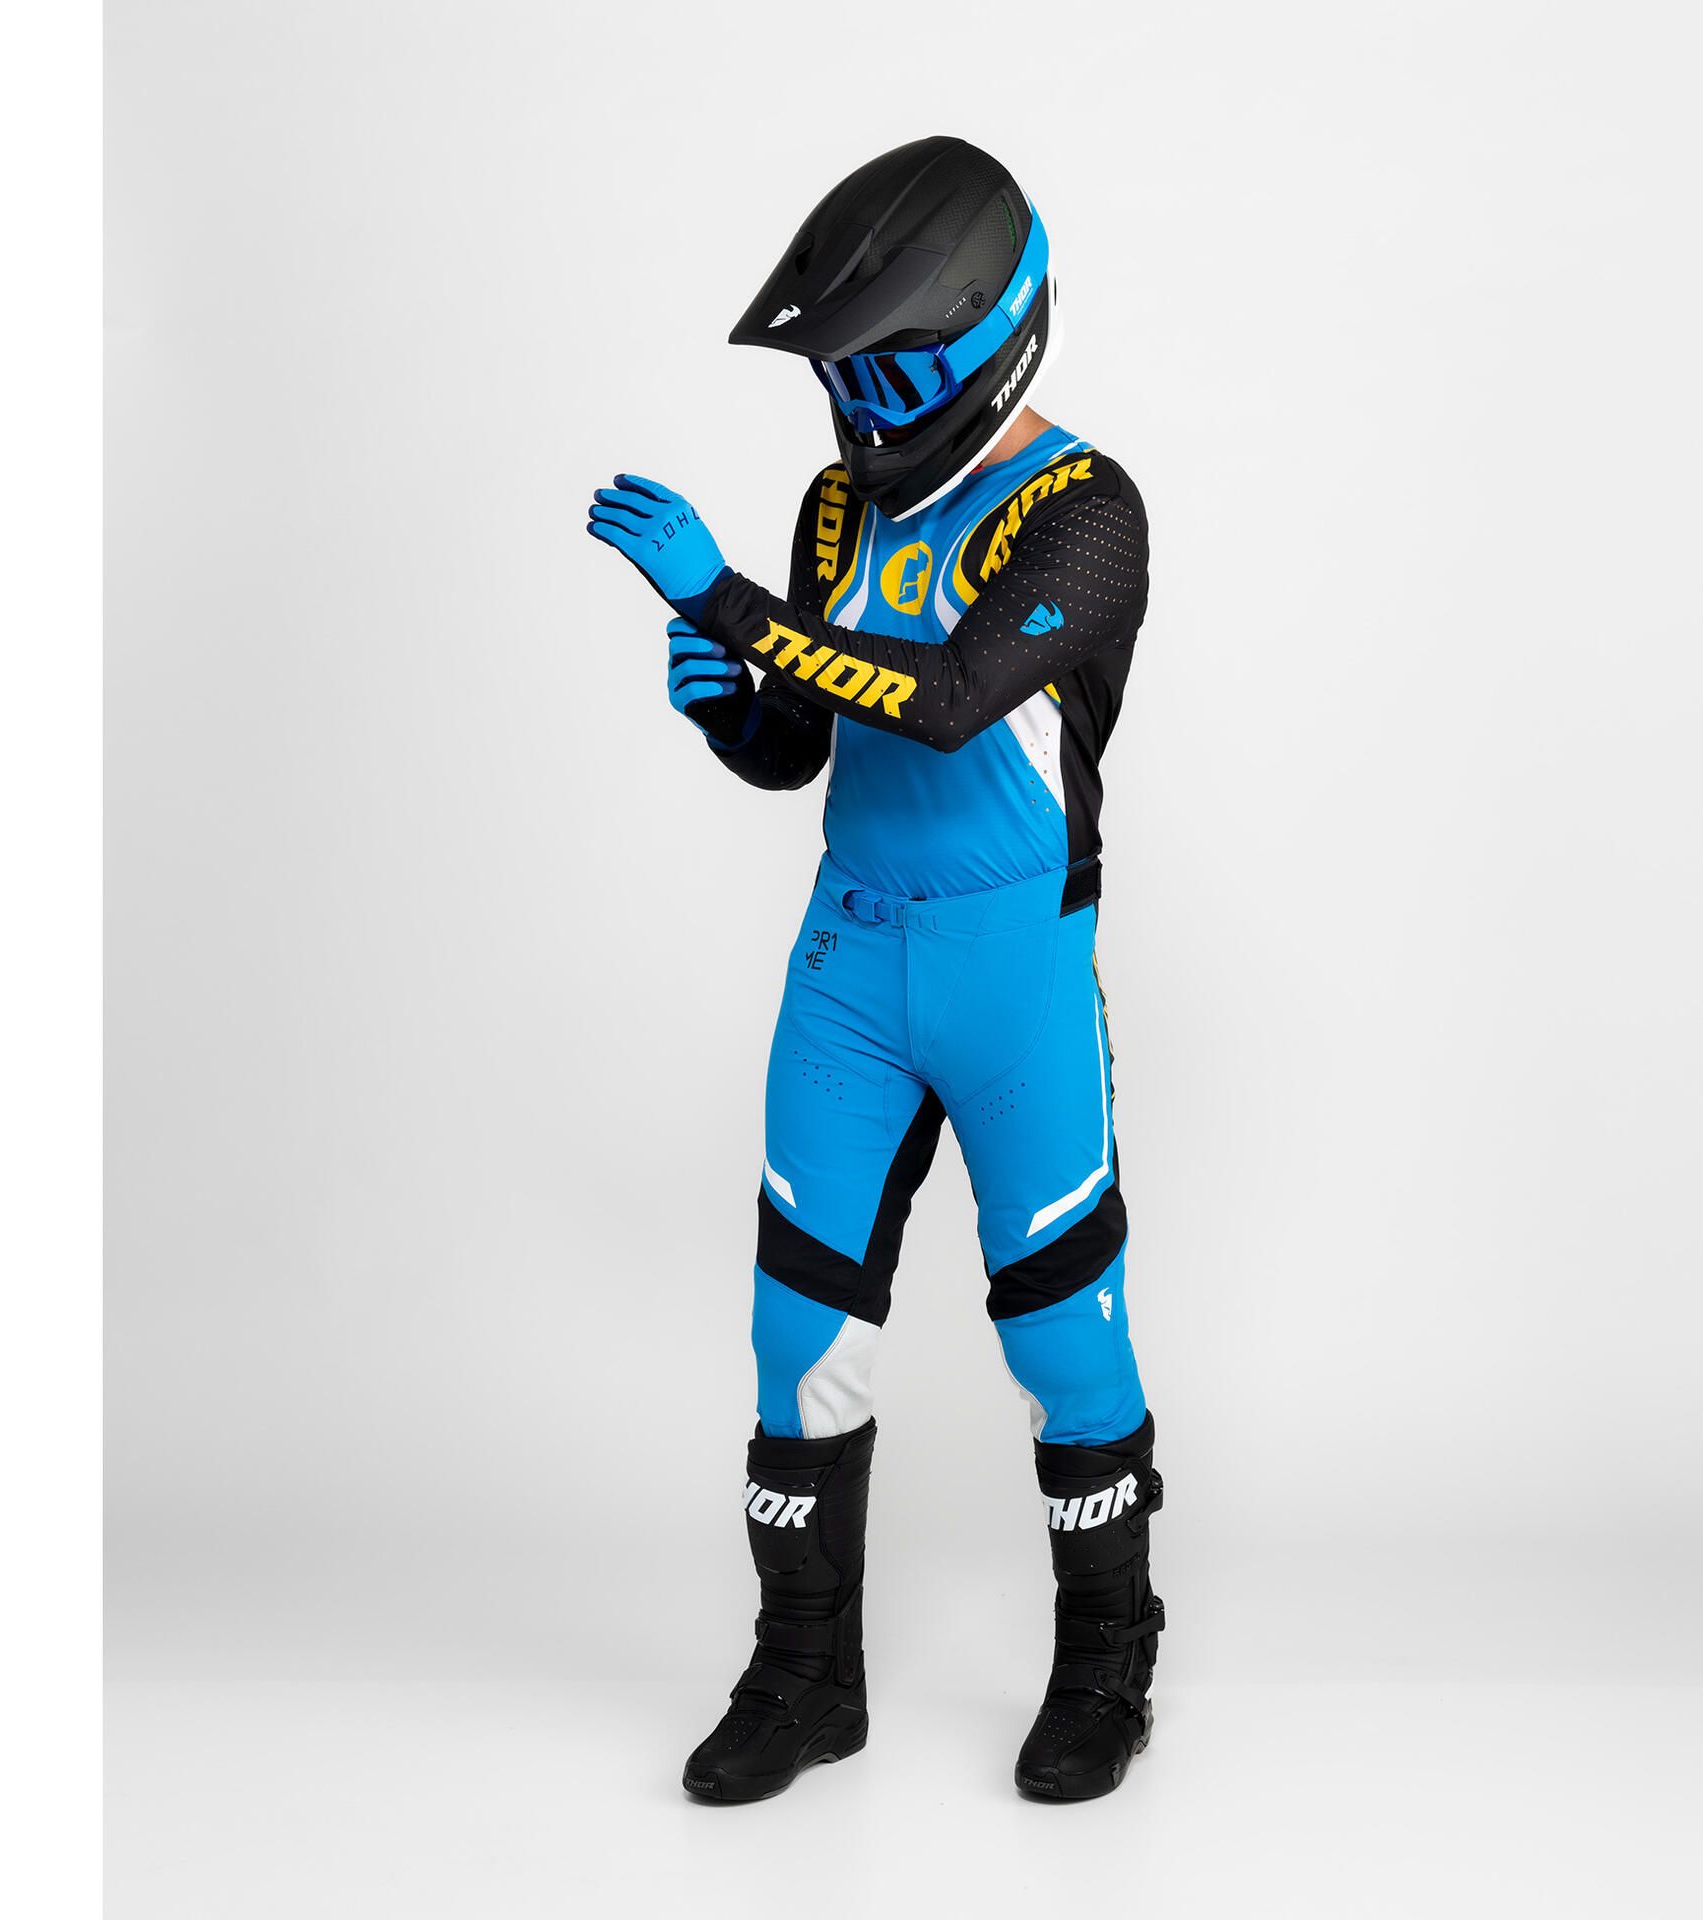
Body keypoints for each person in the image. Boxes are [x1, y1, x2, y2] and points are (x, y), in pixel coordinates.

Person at [586, 135, 1164, 1804]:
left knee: (1063, 1342)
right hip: (850, 959)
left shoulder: (1088, 511)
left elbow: (953, 696)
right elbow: (810, 739)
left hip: (1015, 971)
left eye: (890, 370)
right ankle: (803, 1677)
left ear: (991, 341)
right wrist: (732, 712)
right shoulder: (837, 505)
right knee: (797, 1333)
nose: (858, 405)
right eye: (842, 371)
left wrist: (727, 603)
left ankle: (1108, 1664)